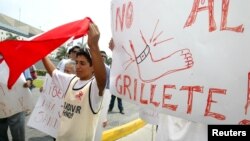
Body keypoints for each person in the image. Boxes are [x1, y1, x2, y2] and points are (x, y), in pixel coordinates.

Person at [42, 23, 106, 141]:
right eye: (77, 62)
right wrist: (41, 52)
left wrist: (94, 46)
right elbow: (54, 72)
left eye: (82, 63)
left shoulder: (94, 87)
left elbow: (102, 81)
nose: (78, 66)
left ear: (93, 68)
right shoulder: (71, 80)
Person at [0, 68, 32, 141]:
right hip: (1, 103)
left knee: (18, 135)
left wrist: (28, 81)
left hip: (16, 102)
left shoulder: (17, 58)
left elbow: (27, 77)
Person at [94, 50, 111, 141]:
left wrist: (104, 116)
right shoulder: (92, 66)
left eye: (104, 56)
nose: (102, 57)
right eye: (100, 55)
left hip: (103, 95)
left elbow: (108, 88)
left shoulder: (108, 69)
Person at [107, 39, 124, 114]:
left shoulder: (120, 69)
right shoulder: (113, 68)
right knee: (112, 99)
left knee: (119, 99)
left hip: (119, 87)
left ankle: (121, 109)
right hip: (114, 86)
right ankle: (110, 108)